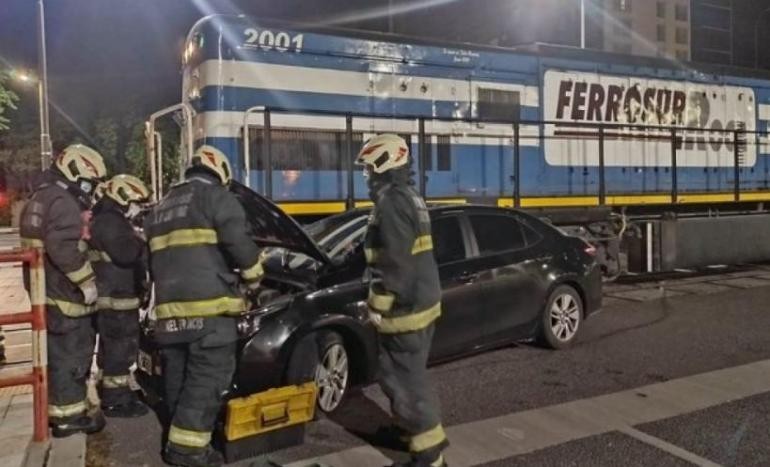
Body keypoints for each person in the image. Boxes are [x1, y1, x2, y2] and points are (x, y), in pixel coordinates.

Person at [144, 145, 263, 467]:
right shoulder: (217, 198)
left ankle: (174, 436)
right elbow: (240, 245)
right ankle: (188, 451)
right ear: (220, 173)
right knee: (207, 380)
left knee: (177, 380)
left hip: (169, 314)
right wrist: (254, 279)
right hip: (210, 312)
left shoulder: (160, 208)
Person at [356, 134, 448, 467]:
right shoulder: (410, 196)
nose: (367, 175)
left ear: (384, 162)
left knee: (405, 381)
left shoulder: (391, 202)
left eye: (369, 168)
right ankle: (408, 431)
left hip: (404, 308)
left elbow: (394, 261)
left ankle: (429, 456)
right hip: (422, 300)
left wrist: (378, 304)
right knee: (408, 374)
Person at [19, 143, 108, 437]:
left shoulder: (39, 198)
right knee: (71, 357)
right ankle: (68, 418)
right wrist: (87, 282)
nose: (88, 189)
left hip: (44, 291)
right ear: (74, 172)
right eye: (87, 182)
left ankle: (65, 411)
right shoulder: (63, 201)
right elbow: (63, 247)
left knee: (58, 356)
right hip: (64, 295)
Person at [89, 174, 151, 418]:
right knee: (120, 349)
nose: (138, 207)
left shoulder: (102, 219)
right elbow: (126, 254)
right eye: (137, 201)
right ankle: (117, 401)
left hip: (111, 297)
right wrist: (140, 240)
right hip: (117, 298)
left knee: (110, 349)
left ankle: (111, 391)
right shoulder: (112, 222)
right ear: (124, 197)